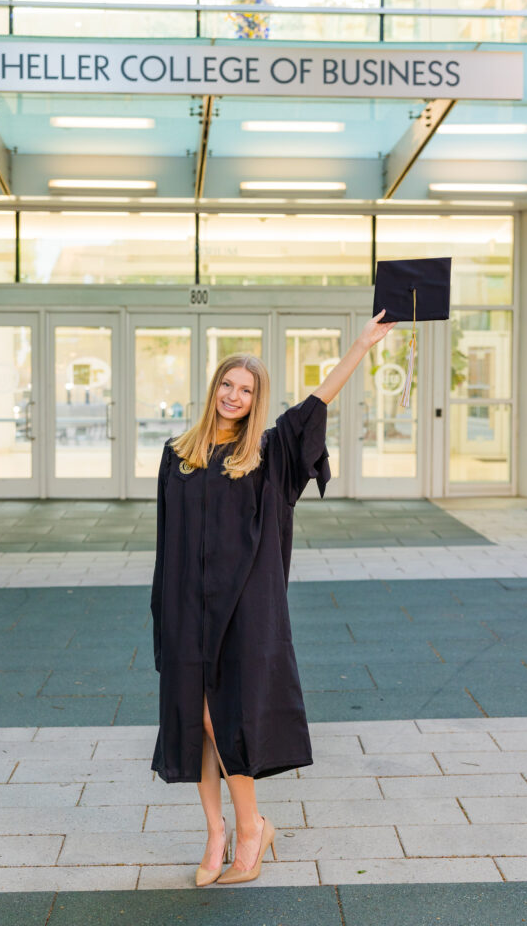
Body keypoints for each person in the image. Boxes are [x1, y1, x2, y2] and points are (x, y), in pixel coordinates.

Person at [149, 310, 396, 886]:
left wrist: (361, 343)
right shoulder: (178, 456)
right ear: (214, 389)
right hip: (187, 613)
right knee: (196, 724)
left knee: (224, 722)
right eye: (227, 385)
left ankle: (251, 828)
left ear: (255, 400)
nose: (234, 396)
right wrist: (163, 613)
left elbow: (317, 402)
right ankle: (217, 837)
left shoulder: (267, 455)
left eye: (246, 389)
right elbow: (166, 544)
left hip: (243, 615)